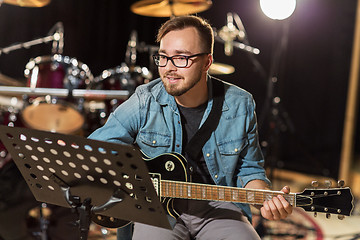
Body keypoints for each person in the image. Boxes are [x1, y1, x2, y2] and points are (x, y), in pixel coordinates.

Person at [89, 15, 293, 240]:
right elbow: (100, 146)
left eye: (181, 58)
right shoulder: (145, 100)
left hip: (217, 206)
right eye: (164, 57)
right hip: (158, 208)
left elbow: (249, 169)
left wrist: (265, 196)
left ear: (207, 62)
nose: (169, 68)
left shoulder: (240, 104)